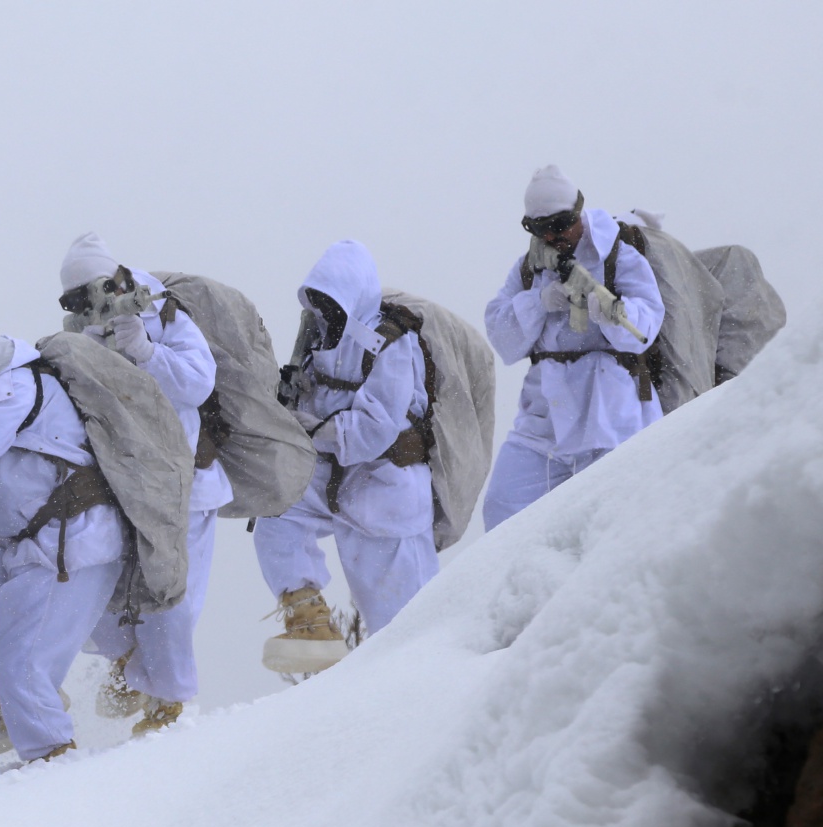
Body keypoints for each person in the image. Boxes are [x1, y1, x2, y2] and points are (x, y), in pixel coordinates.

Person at [0, 289, 127, 762]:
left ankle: (53, 766)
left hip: (70, 540)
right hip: (13, 542)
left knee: (26, 665)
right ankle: (24, 702)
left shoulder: (15, 388)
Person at [59, 233, 231, 733]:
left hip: (185, 483)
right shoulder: (90, 332)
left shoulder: (167, 316)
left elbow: (198, 384)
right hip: (128, 482)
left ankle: (169, 699)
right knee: (107, 586)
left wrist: (147, 350)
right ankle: (135, 664)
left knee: (172, 593)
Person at [252, 240, 439, 674]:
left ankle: (419, 689)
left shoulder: (392, 345)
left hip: (386, 486)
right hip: (332, 473)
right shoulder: (319, 336)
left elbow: (375, 430)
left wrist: (315, 429)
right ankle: (310, 623)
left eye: (331, 300)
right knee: (278, 515)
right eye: (318, 300)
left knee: (402, 625)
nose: (324, 309)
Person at [481, 165, 666, 530]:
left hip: (609, 414)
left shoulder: (617, 254)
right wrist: (539, 301)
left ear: (578, 212)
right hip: (545, 416)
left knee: (610, 524)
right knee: (504, 507)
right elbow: (500, 333)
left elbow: (647, 326)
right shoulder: (529, 269)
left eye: (560, 224)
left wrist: (612, 312)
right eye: (539, 229)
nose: (552, 236)